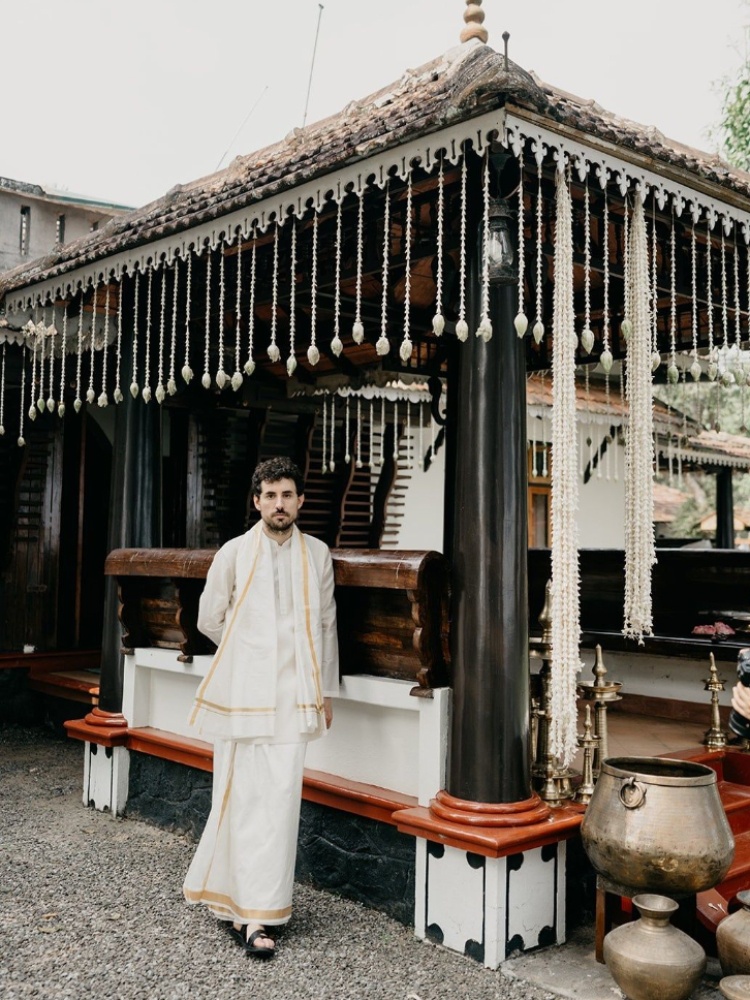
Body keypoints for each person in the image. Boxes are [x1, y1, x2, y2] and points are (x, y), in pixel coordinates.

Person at [183, 456, 339, 958]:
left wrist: (326, 692)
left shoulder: (317, 554)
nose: (279, 504)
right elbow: (210, 617)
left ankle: (262, 909)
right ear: (257, 501)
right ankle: (247, 915)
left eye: (287, 494)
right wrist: (250, 650)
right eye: (270, 495)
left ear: (300, 501)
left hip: (295, 700)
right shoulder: (233, 552)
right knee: (242, 800)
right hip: (243, 700)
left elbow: (326, 627)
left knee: (280, 805)